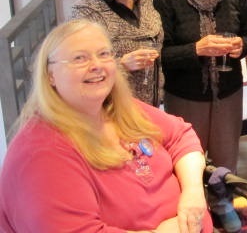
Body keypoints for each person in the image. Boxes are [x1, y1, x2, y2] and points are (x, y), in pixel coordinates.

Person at [0, 19, 213, 232]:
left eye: (103, 54)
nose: (96, 65)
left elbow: (181, 135)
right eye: (79, 58)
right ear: (50, 75)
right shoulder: (40, 154)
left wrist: (193, 194)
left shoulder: (117, 108)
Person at [153, 0, 247, 173]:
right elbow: (161, 56)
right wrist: (196, 49)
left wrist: (241, 46)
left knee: (225, 169)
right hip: (184, 97)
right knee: (188, 167)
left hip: (228, 95)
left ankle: (223, 200)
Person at [70, 0, 163, 107]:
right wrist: (122, 64)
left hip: (149, 107)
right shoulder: (85, 12)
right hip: (109, 109)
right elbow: (79, 69)